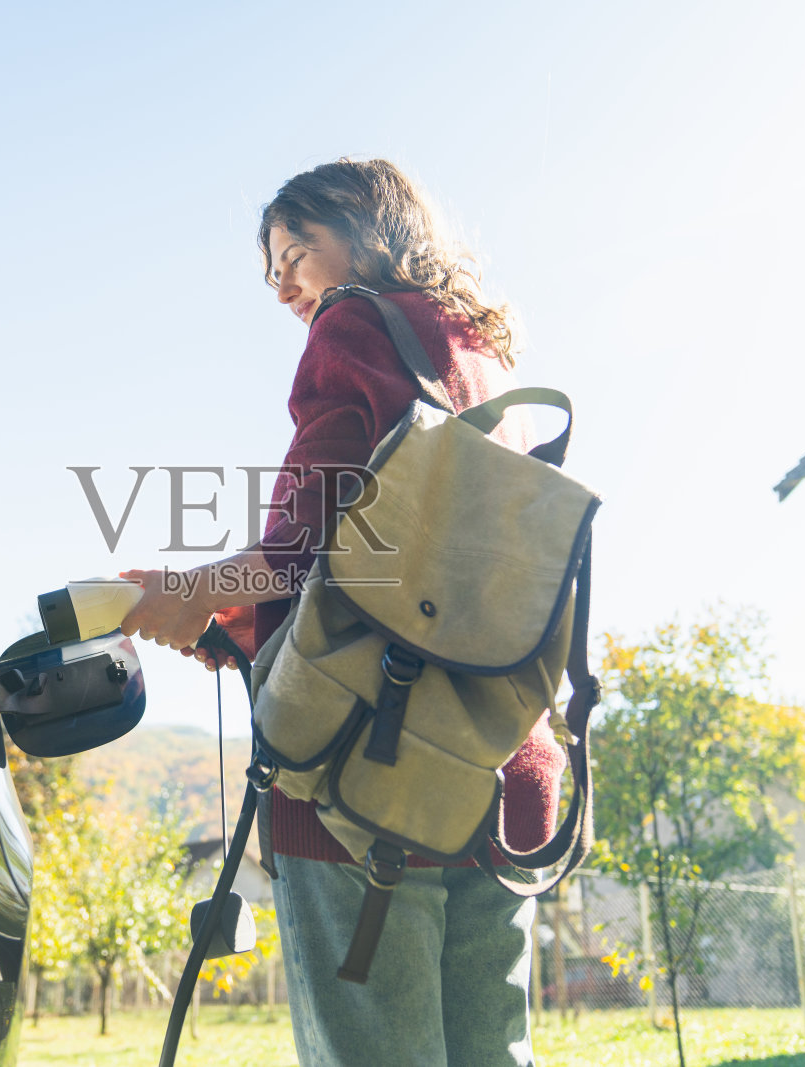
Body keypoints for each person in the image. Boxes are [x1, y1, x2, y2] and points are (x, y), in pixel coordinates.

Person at [117, 159, 564, 1067]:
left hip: (367, 775)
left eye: (297, 253)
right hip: (502, 765)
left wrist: (189, 593)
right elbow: (417, 571)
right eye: (272, 270)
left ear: (365, 232)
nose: (284, 285)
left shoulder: (355, 323)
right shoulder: (488, 361)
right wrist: (232, 629)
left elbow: (307, 543)